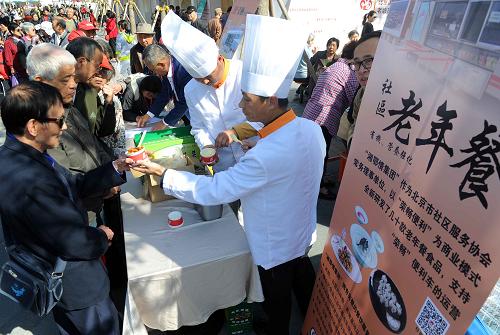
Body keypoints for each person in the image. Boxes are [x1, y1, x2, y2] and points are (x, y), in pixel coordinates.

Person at [133, 15, 324, 335]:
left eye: (247, 101)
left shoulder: (263, 155)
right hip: (295, 219)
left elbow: (214, 190)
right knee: (300, 267)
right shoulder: (309, 129)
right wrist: (237, 141)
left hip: (271, 232)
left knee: (278, 288)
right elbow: (274, 146)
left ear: (269, 99)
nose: (242, 105)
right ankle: (315, 317)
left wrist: (163, 174)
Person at [0, 81, 130, 335]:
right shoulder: (32, 178)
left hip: (50, 276)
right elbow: (74, 241)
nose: (65, 126)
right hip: (76, 284)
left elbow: (72, 184)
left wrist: (116, 168)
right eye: (59, 120)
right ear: (33, 126)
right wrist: (101, 236)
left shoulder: (19, 155)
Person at [161, 11, 259, 172]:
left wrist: (236, 132)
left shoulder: (244, 73)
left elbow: (267, 117)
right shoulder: (191, 90)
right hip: (224, 163)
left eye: (208, 76)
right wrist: (206, 146)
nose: (206, 82)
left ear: (220, 59)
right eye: (199, 79)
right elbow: (199, 127)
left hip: (254, 153)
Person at [303, 41, 359, 199]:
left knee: (313, 152)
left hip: (311, 112)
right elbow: (355, 97)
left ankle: (317, 181)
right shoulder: (348, 72)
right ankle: (318, 188)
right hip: (323, 117)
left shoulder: (335, 66)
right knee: (320, 154)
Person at [338, 31, 381, 147]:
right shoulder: (362, 93)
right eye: (357, 63)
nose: (361, 70)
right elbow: (355, 121)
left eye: (369, 60)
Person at [67, 37, 117, 138]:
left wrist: (109, 104)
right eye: (97, 66)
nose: (98, 72)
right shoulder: (53, 94)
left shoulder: (90, 92)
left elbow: (102, 131)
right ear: (81, 62)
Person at [136, 44, 192, 131]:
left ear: (162, 65)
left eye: (154, 70)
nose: (155, 73)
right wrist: (149, 115)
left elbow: (185, 102)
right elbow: (164, 95)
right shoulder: (168, 70)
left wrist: (164, 122)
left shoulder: (182, 70)